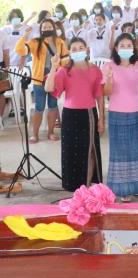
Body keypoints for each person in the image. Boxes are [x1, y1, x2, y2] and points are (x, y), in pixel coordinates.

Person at [44, 38, 104, 192]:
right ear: (69, 52)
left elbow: (99, 96)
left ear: (87, 49)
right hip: (70, 115)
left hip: (89, 114)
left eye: (81, 48)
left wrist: (102, 119)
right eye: (74, 49)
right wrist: (53, 67)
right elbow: (48, 88)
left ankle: (89, 183)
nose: (78, 51)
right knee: (70, 149)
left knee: (90, 149)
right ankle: (73, 184)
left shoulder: (95, 70)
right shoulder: (64, 71)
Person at [102, 34, 138, 201]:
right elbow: (106, 92)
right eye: (122, 45)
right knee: (120, 152)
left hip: (136, 113)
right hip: (117, 114)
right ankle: (123, 190)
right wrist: (109, 78)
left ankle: (137, 186)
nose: (125, 48)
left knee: (135, 151)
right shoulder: (109, 66)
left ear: (134, 48)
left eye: (129, 45)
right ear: (116, 48)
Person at [16, 19, 69, 142]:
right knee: (39, 107)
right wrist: (25, 36)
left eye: (49, 26)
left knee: (53, 106)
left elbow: (66, 59)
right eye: (44, 27)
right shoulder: (35, 42)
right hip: (39, 80)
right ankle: (35, 134)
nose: (46, 29)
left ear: (53, 28)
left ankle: (51, 132)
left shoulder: (60, 42)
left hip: (54, 78)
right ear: (40, 29)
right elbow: (20, 50)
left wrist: (58, 63)